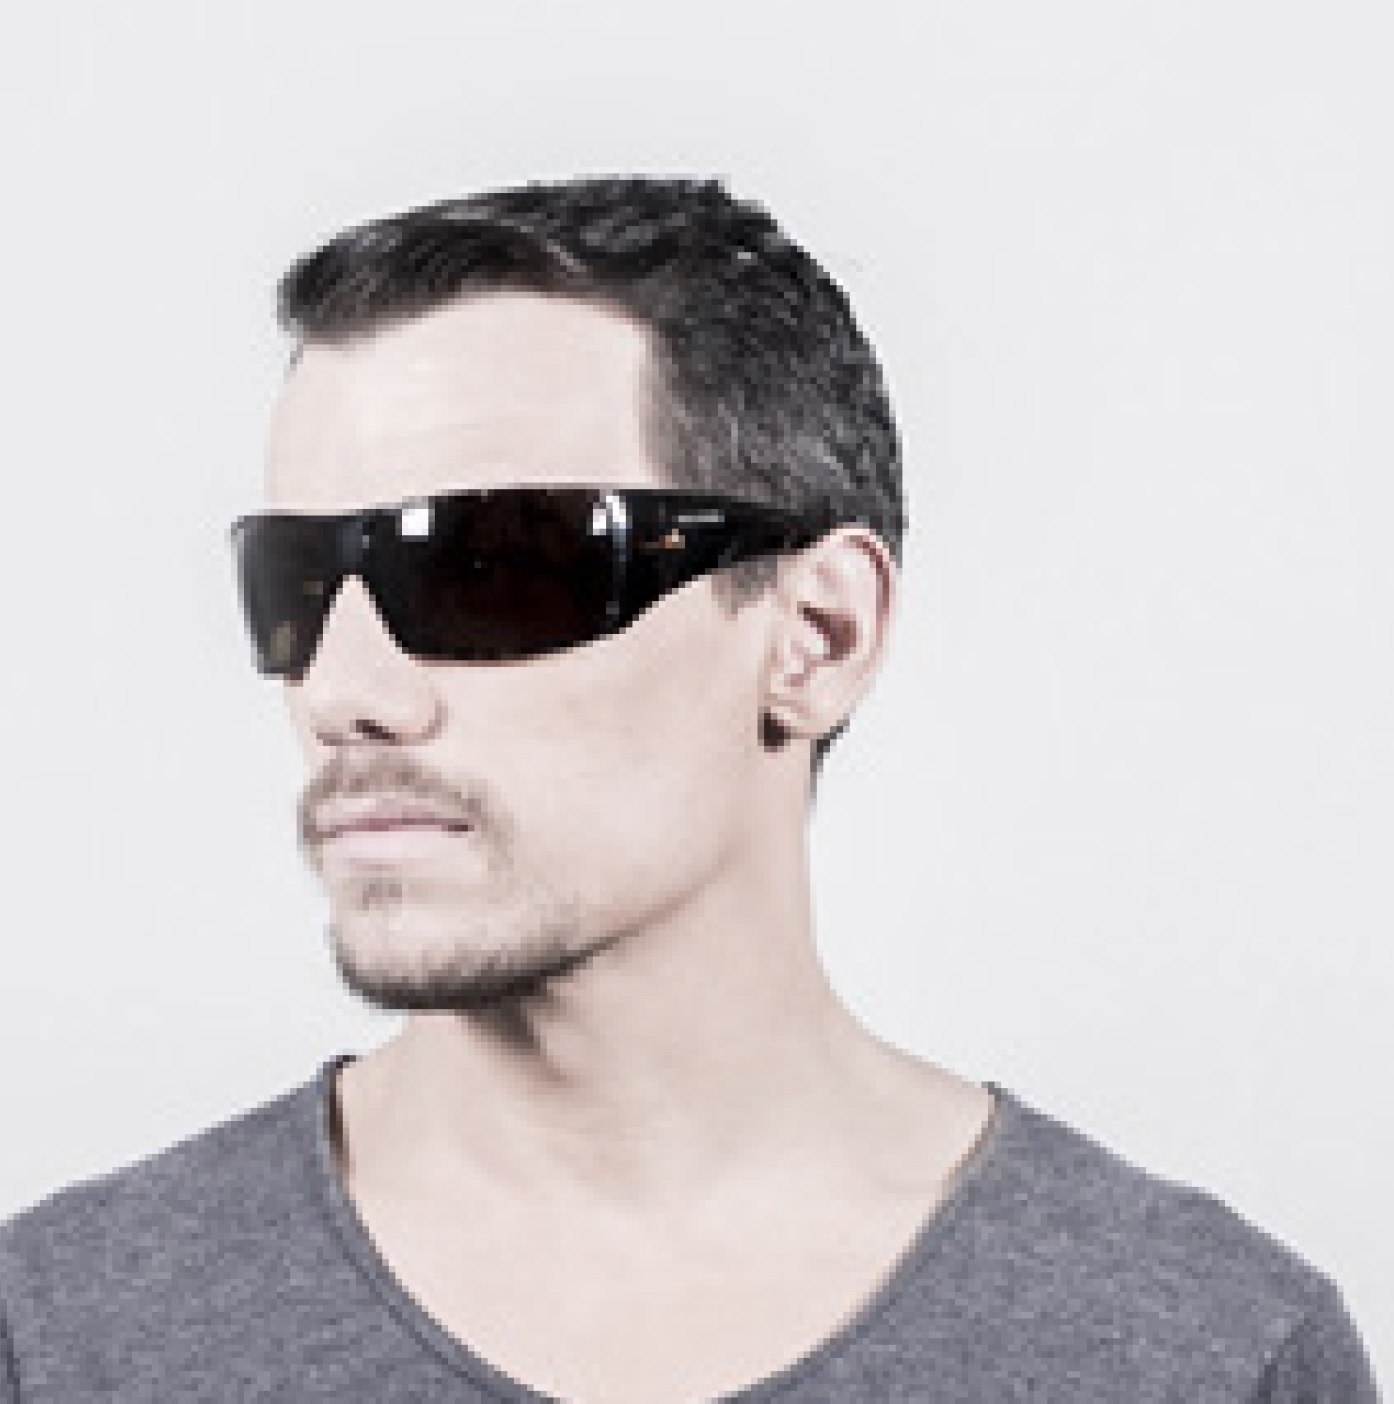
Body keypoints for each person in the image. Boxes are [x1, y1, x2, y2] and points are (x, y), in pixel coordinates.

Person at [0, 177, 1379, 1403]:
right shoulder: (66, 1335)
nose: (342, 689)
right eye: (296, 583)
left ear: (816, 634)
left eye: (489, 567)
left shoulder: (1203, 1353)